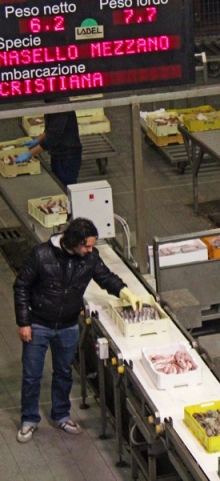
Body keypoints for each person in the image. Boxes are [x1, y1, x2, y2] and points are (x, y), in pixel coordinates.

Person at [13, 218, 147, 443]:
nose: (90, 250)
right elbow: (21, 287)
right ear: (73, 242)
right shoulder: (41, 255)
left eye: (92, 245)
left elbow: (105, 278)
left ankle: (61, 415)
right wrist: (24, 322)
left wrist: (125, 292)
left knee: (64, 373)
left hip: (68, 325)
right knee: (32, 375)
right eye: (86, 246)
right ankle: (29, 420)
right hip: (38, 324)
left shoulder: (90, 258)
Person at [16, 107, 83, 187]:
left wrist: (28, 154)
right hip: (57, 155)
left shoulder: (60, 108)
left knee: (65, 188)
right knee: (58, 185)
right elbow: (50, 129)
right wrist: (38, 140)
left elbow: (51, 139)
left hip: (67, 157)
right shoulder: (50, 104)